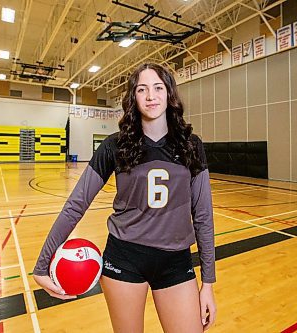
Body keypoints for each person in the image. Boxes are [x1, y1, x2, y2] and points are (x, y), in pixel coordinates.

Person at [33, 62, 216, 332]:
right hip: (124, 259)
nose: (151, 96)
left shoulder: (191, 145)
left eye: (158, 87)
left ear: (169, 93)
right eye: (142, 89)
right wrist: (41, 265)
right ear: (133, 97)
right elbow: (76, 205)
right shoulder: (115, 146)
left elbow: (203, 216)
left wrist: (208, 284)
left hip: (175, 262)